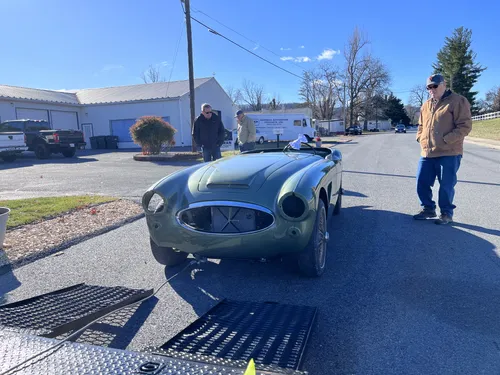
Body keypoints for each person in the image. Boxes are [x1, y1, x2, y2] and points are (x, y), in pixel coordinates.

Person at [414, 74, 472, 225]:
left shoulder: (458, 101)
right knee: (421, 181)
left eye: (434, 86)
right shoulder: (426, 105)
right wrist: (420, 138)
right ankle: (428, 209)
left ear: (443, 85)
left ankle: (446, 213)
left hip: (449, 152)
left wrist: (446, 140)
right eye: (429, 87)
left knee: (446, 185)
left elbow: (465, 126)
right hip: (427, 152)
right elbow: (421, 126)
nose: (431, 89)